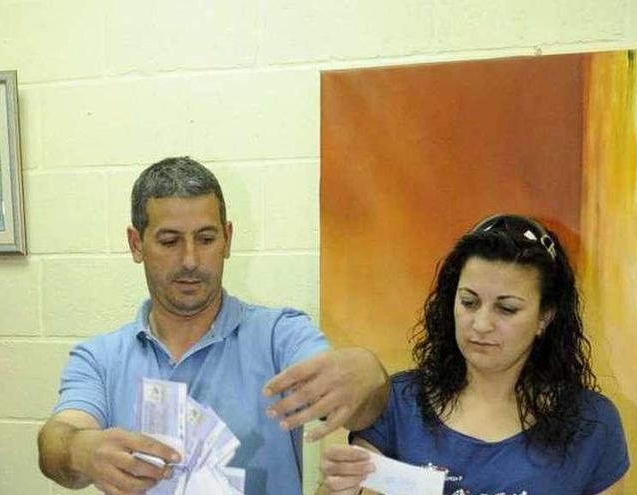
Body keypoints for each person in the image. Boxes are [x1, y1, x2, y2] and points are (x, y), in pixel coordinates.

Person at [38, 157, 389, 495]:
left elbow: (359, 408)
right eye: (169, 241)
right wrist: (80, 450)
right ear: (135, 244)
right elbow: (56, 442)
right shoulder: (100, 358)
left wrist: (369, 375)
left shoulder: (279, 335)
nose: (190, 260)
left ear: (227, 238)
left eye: (206, 239)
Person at [319, 214, 629, 495]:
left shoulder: (592, 424)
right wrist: (337, 489)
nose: (480, 325)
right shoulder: (399, 404)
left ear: (545, 317)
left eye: (507, 309)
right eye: (469, 302)